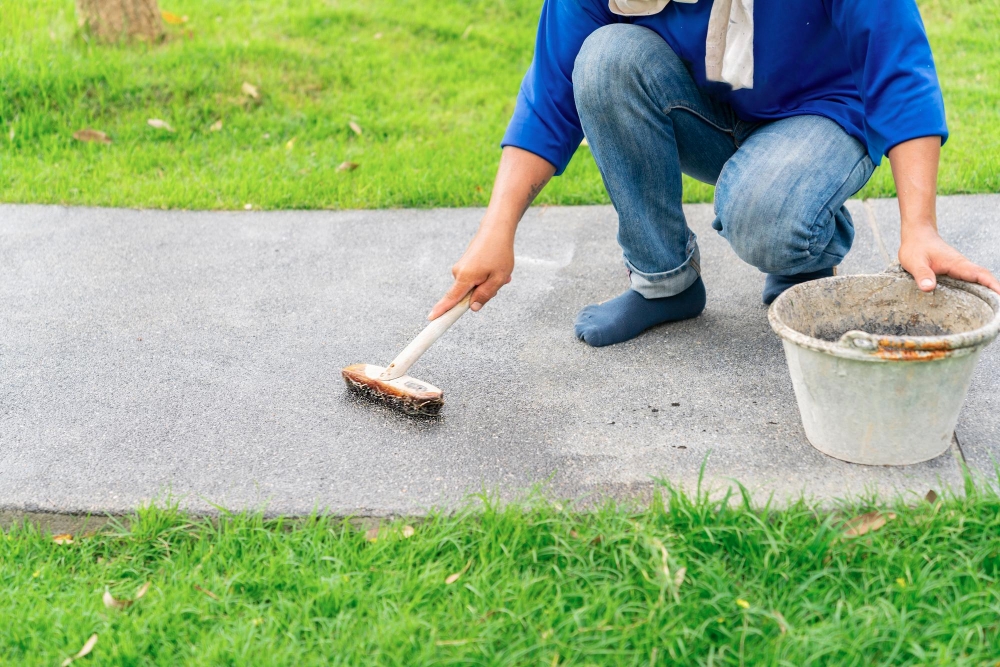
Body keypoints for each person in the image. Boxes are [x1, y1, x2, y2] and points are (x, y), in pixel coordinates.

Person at [429, 0, 1000, 347]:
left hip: (823, 111)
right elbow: (549, 97)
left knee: (765, 211)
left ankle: (803, 246)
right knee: (604, 59)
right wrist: (495, 231)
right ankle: (664, 282)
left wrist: (919, 227)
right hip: (705, 109)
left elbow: (898, 65)